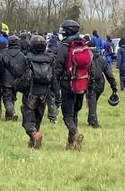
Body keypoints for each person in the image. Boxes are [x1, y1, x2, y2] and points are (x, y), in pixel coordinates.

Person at [54, 20, 89, 151]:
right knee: (75, 113)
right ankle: (71, 144)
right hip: (82, 83)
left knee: (67, 115)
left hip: (67, 84)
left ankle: (75, 133)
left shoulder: (63, 46)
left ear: (66, 31)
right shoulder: (83, 44)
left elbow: (57, 67)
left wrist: (54, 85)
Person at [20, 35, 56, 149]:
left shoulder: (27, 59)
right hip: (44, 93)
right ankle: (33, 142)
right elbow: (54, 78)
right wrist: (56, 94)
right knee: (38, 118)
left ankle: (34, 135)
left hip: (30, 93)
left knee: (27, 119)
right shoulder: (50, 59)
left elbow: (23, 77)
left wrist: (17, 86)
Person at [86, 41, 117, 128]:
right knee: (93, 102)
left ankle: (94, 123)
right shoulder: (102, 59)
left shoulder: (87, 57)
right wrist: (113, 85)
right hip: (100, 84)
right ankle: (90, 120)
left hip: (91, 83)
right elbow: (108, 73)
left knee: (92, 102)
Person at [0, 36, 26, 121]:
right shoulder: (22, 56)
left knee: (7, 99)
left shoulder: (4, 54)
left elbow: (0, 68)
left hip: (6, 80)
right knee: (13, 98)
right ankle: (8, 118)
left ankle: (12, 112)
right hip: (17, 81)